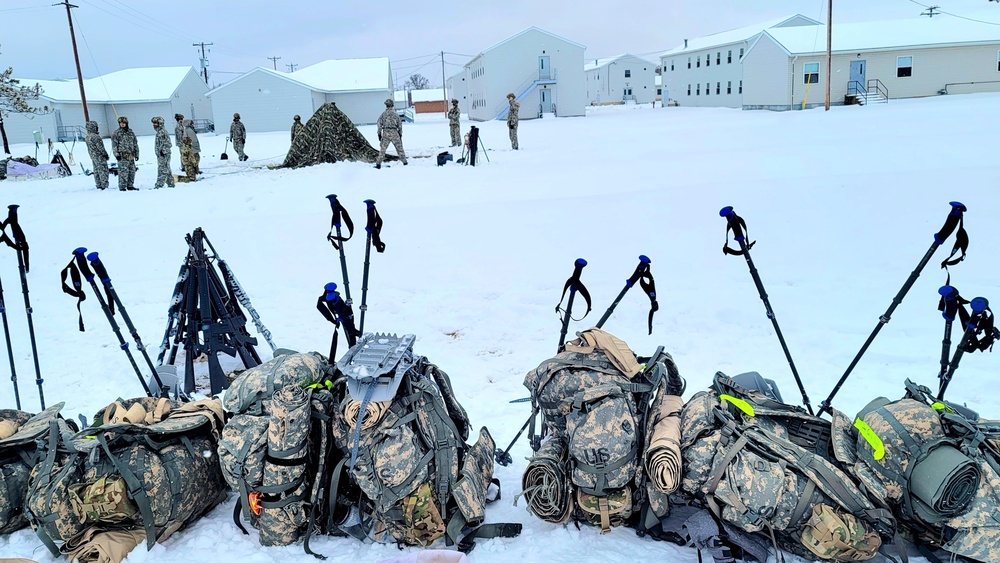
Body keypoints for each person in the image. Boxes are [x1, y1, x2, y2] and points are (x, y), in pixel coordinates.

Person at [375, 98, 407, 169]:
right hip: (395, 133)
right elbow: (400, 125)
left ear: (386, 106)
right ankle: (405, 162)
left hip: (386, 133)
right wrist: (400, 134)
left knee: (382, 150)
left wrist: (379, 134)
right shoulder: (395, 114)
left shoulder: (383, 114)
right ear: (392, 105)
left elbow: (379, 124)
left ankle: (378, 164)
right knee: (400, 149)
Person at [110, 116, 139, 191]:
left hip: (131, 155)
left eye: (124, 123)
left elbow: (135, 143)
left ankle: (130, 185)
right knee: (123, 172)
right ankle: (122, 187)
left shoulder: (131, 132)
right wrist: (116, 154)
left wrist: (137, 154)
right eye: (121, 123)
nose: (122, 124)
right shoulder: (116, 133)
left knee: (132, 171)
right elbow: (114, 145)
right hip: (122, 156)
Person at [84, 120, 109, 190]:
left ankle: (98, 184)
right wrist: (105, 154)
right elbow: (100, 147)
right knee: (103, 170)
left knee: (96, 170)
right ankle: (104, 185)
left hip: (93, 156)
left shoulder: (87, 137)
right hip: (99, 156)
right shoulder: (96, 137)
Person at [152, 116, 175, 189]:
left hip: (164, 154)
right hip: (161, 154)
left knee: (162, 169)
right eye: (154, 123)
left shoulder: (162, 132)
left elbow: (168, 143)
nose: (154, 124)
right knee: (166, 168)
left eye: (156, 123)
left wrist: (163, 151)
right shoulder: (159, 132)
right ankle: (171, 183)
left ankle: (159, 185)